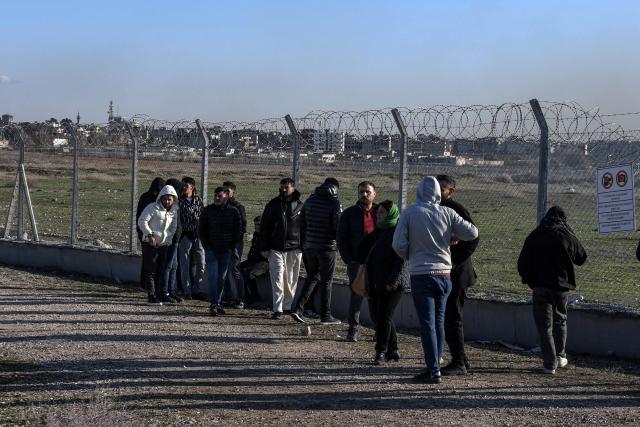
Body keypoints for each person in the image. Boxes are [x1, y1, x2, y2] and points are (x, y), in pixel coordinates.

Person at [392, 176, 478, 384]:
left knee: (427, 323)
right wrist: (450, 239)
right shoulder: (447, 212)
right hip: (444, 275)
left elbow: (398, 244)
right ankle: (437, 365)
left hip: (422, 273)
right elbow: (472, 232)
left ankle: (432, 369)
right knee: (440, 321)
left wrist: (410, 255)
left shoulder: (410, 213)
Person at [517, 206, 587, 375]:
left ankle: (549, 363)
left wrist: (529, 280)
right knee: (560, 320)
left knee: (544, 326)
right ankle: (561, 355)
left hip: (540, 287)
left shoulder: (534, 236)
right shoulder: (566, 235)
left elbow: (522, 264)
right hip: (561, 288)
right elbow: (581, 258)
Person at [437, 175, 479, 376]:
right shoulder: (433, 209)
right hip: (444, 271)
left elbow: (473, 238)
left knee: (453, 318)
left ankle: (459, 361)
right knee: (448, 318)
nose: (438, 191)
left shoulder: (456, 210)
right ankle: (460, 359)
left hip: (456, 273)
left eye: (442, 188)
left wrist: (454, 261)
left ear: (451, 191)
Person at [358, 200, 409, 365]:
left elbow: (401, 260)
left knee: (384, 316)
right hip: (375, 282)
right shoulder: (377, 232)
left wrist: (392, 282)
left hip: (392, 284)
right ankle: (393, 350)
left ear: (391, 214)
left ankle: (381, 351)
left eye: (381, 213)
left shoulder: (397, 232)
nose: (377, 215)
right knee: (377, 316)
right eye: (377, 212)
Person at [291, 177, 343, 325]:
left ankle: (298, 308)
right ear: (335, 188)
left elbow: (302, 224)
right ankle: (325, 315)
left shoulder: (310, 201)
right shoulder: (335, 203)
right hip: (327, 247)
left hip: (309, 246)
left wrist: (305, 243)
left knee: (312, 277)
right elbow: (337, 228)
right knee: (326, 281)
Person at [337, 181, 378, 342]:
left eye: (368, 192)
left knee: (377, 297)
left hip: (377, 262)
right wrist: (349, 260)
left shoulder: (381, 211)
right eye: (361, 192)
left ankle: (379, 329)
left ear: (374, 194)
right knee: (356, 296)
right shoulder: (349, 213)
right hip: (357, 262)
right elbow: (341, 238)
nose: (364, 195)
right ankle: (353, 329)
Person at [259, 178, 303, 319]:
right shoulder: (273, 205)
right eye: (282, 187)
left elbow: (304, 227)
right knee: (277, 278)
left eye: (286, 187)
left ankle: (287, 306)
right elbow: (265, 227)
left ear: (293, 188)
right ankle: (277, 309)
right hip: (276, 248)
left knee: (291, 279)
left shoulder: (300, 206)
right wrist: (264, 247)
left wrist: (303, 246)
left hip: (294, 248)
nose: (283, 189)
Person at [199, 186, 242, 316]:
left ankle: (217, 303)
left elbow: (238, 230)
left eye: (220, 196)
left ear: (226, 197)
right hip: (212, 249)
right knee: (212, 277)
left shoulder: (234, 211)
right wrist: (206, 246)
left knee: (221, 278)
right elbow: (202, 230)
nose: (217, 198)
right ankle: (213, 304)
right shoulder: (208, 211)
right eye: (215, 196)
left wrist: (231, 246)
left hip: (226, 250)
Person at [137, 185, 179, 305]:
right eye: (164, 198)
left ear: (173, 199)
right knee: (151, 270)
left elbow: (173, 227)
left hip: (164, 245)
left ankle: (160, 294)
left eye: (169, 199)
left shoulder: (174, 210)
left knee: (161, 269)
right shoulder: (152, 207)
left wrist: (168, 239)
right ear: (160, 198)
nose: (166, 201)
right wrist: (150, 235)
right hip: (150, 244)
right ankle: (151, 295)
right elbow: (142, 221)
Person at [178, 176, 205, 299]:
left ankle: (197, 289)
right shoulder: (179, 201)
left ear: (192, 188)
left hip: (198, 236)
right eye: (182, 185)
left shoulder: (198, 200)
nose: (184, 188)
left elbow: (203, 216)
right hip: (186, 236)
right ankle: (187, 290)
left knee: (201, 263)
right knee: (184, 265)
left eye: (186, 186)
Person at [136, 177, 165, 287]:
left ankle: (144, 282)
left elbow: (139, 216)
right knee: (153, 261)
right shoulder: (157, 199)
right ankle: (150, 284)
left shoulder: (145, 196)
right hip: (152, 233)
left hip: (143, 231)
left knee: (147, 259)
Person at [223, 181, 247, 308]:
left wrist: (233, 240)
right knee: (224, 270)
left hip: (235, 243)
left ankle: (240, 298)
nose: (225, 193)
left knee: (235, 269)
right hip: (222, 243)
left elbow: (243, 227)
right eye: (224, 190)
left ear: (233, 193)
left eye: (228, 191)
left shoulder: (238, 207)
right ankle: (228, 297)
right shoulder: (220, 206)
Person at [161, 178, 184, 303]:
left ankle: (172, 290)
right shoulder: (167, 205)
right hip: (170, 239)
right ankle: (165, 291)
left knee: (174, 266)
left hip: (176, 238)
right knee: (168, 266)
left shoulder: (175, 204)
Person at [241, 216, 270, 306]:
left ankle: (254, 296)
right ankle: (245, 295)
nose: (256, 227)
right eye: (255, 225)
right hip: (252, 261)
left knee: (250, 274)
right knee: (237, 269)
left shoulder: (266, 236)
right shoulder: (256, 234)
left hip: (263, 262)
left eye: (259, 225)